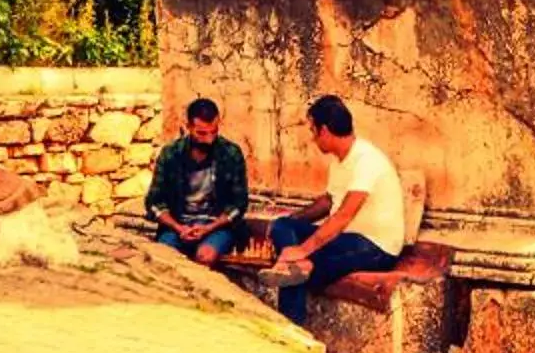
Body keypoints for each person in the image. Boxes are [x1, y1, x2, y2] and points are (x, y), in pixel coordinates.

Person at [267, 94, 405, 325]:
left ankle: (291, 326)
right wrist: (293, 221)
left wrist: (302, 249)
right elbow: (329, 202)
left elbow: (344, 215)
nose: (312, 138)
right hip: (345, 239)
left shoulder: (367, 160)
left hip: (375, 247)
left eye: (313, 131)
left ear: (324, 130)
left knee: (301, 266)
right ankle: (296, 267)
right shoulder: (339, 161)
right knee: (283, 226)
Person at [144, 95, 250, 265]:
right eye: (201, 133)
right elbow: (154, 202)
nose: (209, 139)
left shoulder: (230, 153)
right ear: (189, 127)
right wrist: (179, 228)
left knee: (205, 255)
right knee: (163, 258)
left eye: (213, 132)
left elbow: (239, 204)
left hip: (215, 227)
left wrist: (208, 228)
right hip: (177, 225)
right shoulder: (171, 154)